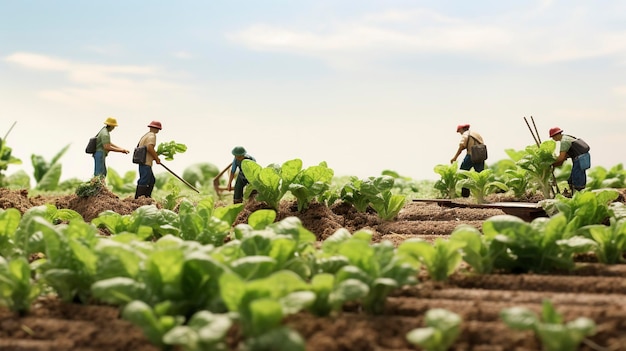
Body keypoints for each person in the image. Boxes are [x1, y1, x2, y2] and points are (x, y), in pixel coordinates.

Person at [549, 127, 590, 194]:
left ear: (556, 135)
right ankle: (573, 192)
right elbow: (564, 157)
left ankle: (578, 194)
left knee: (577, 177)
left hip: (580, 158)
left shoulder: (564, 141)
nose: (553, 139)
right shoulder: (567, 137)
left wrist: (551, 163)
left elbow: (561, 157)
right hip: (582, 157)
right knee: (572, 178)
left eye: (553, 137)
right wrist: (556, 164)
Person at [450, 123, 485, 197]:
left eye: (460, 132)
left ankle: (465, 195)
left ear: (462, 129)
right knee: (480, 176)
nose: (460, 133)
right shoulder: (476, 134)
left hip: (471, 155)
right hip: (480, 156)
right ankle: (480, 195)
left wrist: (455, 157)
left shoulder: (466, 134)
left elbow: (462, 146)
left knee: (463, 173)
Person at [134, 121, 162, 199]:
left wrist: (154, 156)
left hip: (144, 161)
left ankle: (147, 197)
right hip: (146, 162)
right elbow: (150, 147)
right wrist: (156, 158)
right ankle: (139, 199)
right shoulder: (152, 136)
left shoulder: (145, 135)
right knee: (144, 180)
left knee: (151, 180)